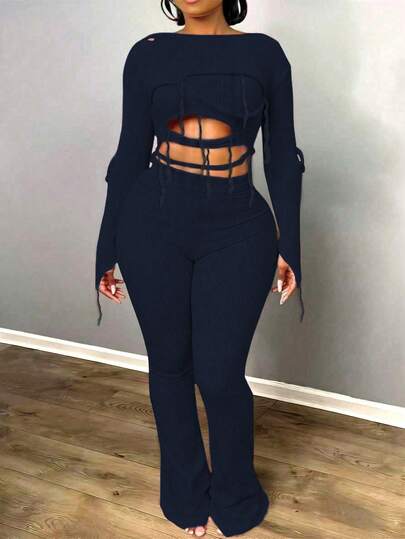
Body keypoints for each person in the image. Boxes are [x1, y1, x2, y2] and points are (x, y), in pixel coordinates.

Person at [94, 0, 305, 536]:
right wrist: (106, 246)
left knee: (220, 374)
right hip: (151, 222)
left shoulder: (264, 54)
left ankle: (235, 494)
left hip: (238, 227)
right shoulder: (147, 54)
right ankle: (185, 495)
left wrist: (291, 245)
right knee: (169, 366)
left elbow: (282, 155)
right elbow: (129, 152)